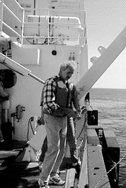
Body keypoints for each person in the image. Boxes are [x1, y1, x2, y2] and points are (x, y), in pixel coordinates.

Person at [38, 60, 80, 188]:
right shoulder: (51, 82)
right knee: (53, 148)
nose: (70, 75)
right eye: (68, 73)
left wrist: (76, 111)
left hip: (63, 120)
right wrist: (67, 111)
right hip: (52, 119)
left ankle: (53, 175)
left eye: (71, 73)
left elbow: (74, 100)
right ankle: (43, 180)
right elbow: (48, 104)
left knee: (62, 149)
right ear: (61, 70)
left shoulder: (70, 86)